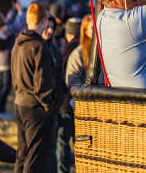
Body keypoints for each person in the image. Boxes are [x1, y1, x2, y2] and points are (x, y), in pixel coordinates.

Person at [11, 3, 56, 173]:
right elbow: (42, 83)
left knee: (22, 155)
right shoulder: (39, 47)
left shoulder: (18, 44)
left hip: (19, 103)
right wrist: (49, 108)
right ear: (44, 20)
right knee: (34, 158)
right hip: (35, 108)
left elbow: (14, 76)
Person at [42, 14, 66, 173]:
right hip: (37, 108)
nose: (50, 31)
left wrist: (58, 102)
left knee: (51, 149)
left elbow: (60, 79)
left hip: (53, 107)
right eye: (47, 27)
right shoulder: (34, 48)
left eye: (52, 27)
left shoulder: (55, 50)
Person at [0, 0, 26, 120]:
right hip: (6, 62)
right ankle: (0, 111)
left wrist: (13, 10)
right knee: (5, 88)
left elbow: (9, 19)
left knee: (1, 87)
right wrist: (19, 11)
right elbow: (18, 25)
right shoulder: (6, 29)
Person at [57, 16, 81, 173]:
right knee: (81, 141)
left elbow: (61, 77)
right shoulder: (88, 48)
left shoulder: (65, 51)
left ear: (68, 34)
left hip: (66, 102)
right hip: (81, 102)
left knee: (63, 142)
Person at [66, 14, 93, 89]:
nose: (96, 30)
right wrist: (85, 93)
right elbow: (72, 79)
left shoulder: (104, 49)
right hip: (87, 97)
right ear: (86, 32)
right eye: (92, 28)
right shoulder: (78, 53)